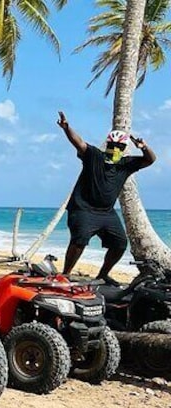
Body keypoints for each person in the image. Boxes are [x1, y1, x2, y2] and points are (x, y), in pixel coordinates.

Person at [58, 111, 156, 283]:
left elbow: (150, 160)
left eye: (120, 146)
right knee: (80, 239)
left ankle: (103, 274)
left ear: (124, 148)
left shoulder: (126, 164)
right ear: (108, 144)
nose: (116, 149)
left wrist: (143, 147)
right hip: (83, 209)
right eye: (113, 145)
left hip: (106, 213)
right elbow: (79, 143)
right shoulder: (94, 156)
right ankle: (65, 274)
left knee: (120, 243)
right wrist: (67, 128)